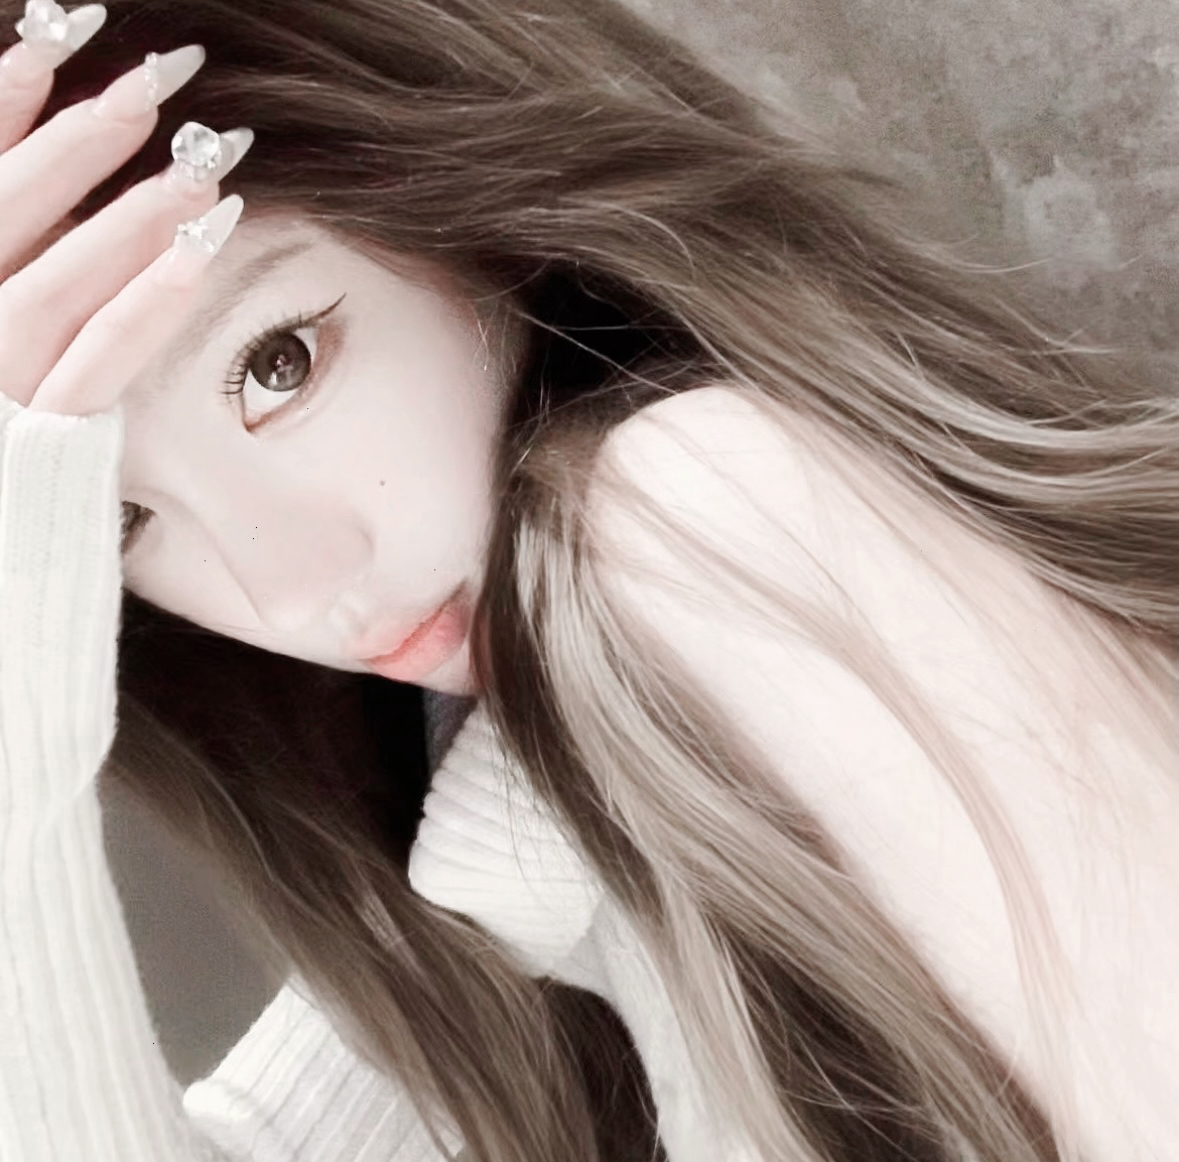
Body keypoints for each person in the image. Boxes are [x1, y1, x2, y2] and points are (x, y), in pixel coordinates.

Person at [0, 0, 1176, 1160]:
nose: (293, 593)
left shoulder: (716, 513)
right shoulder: (503, 842)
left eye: (278, 363)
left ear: (456, 207)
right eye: (113, 515)